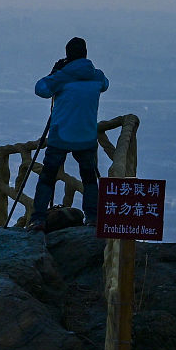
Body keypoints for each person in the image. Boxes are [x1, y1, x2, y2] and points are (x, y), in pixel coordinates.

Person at [28, 37, 109, 232]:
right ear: (85, 54)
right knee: (89, 178)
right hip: (87, 135)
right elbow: (105, 85)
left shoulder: (62, 77)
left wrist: (54, 72)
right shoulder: (97, 76)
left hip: (61, 135)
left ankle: (38, 219)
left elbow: (41, 89)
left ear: (67, 55)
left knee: (47, 177)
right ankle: (92, 218)